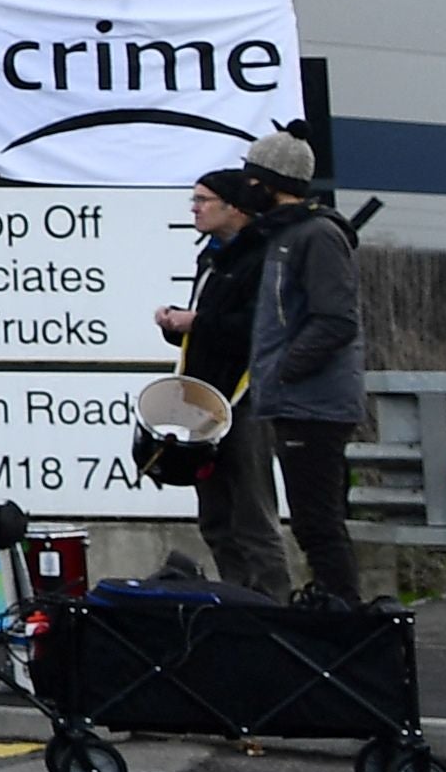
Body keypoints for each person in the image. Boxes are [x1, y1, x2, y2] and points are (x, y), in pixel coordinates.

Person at [155, 168, 293, 597]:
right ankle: (238, 599)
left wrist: (198, 321)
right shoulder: (211, 256)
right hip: (203, 400)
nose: (194, 209)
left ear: (234, 207)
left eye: (203, 200)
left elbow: (260, 328)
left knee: (253, 513)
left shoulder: (263, 257)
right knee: (215, 518)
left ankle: (273, 607)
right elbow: (212, 325)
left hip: (245, 399)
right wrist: (177, 325)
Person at [243, 130, 367, 605]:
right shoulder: (285, 235)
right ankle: (336, 610)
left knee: (319, 524)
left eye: (252, 175)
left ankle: (346, 618)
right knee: (313, 523)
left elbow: (335, 319)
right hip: (295, 400)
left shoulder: (316, 235)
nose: (245, 183)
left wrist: (284, 371)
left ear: (270, 181)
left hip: (314, 405)